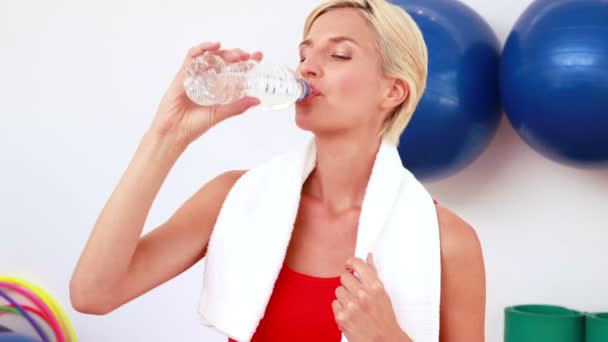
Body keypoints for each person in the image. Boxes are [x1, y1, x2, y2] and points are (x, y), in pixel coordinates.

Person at [70, 0, 486, 341]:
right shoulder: (232, 198)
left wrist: (387, 339)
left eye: (338, 54)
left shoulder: (448, 241)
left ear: (392, 91)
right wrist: (167, 134)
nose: (305, 67)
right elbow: (93, 293)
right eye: (304, 54)